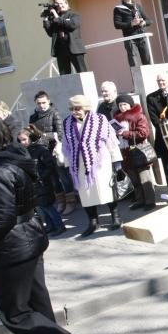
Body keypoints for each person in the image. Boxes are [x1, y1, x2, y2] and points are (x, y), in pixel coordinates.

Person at [0, 112, 97, 334]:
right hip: (28, 239)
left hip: (13, 247)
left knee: (13, 310)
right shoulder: (10, 157)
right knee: (35, 305)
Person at [62, 95, 123, 236]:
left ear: (85, 108)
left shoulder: (100, 119)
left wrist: (116, 162)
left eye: (77, 108)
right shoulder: (67, 123)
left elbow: (111, 141)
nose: (74, 112)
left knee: (106, 191)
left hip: (101, 162)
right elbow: (66, 145)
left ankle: (116, 217)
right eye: (71, 109)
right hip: (80, 164)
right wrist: (68, 164)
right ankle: (93, 222)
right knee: (86, 195)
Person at [16, 127, 65, 236]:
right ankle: (50, 226)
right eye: (20, 140)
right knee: (40, 207)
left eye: (24, 139)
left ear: (30, 138)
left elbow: (50, 165)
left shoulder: (40, 150)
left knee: (47, 206)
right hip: (32, 184)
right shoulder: (23, 152)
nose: (22, 142)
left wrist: (41, 177)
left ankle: (59, 226)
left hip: (42, 183)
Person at [113, 95, 156, 211]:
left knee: (144, 177)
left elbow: (144, 133)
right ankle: (140, 200)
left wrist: (126, 134)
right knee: (134, 179)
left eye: (125, 104)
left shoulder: (139, 116)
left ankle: (150, 201)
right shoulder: (116, 119)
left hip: (139, 150)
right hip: (125, 152)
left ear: (130, 105)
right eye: (120, 105)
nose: (122, 107)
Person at [145, 72, 168, 193]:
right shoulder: (151, 97)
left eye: (163, 80)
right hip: (163, 135)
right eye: (159, 80)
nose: (161, 82)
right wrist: (165, 127)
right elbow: (154, 119)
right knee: (167, 165)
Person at [113, 0, 152, 67]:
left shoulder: (137, 6)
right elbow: (117, 25)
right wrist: (131, 24)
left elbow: (149, 20)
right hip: (129, 38)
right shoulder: (118, 9)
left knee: (147, 59)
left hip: (141, 36)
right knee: (133, 61)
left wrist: (144, 22)